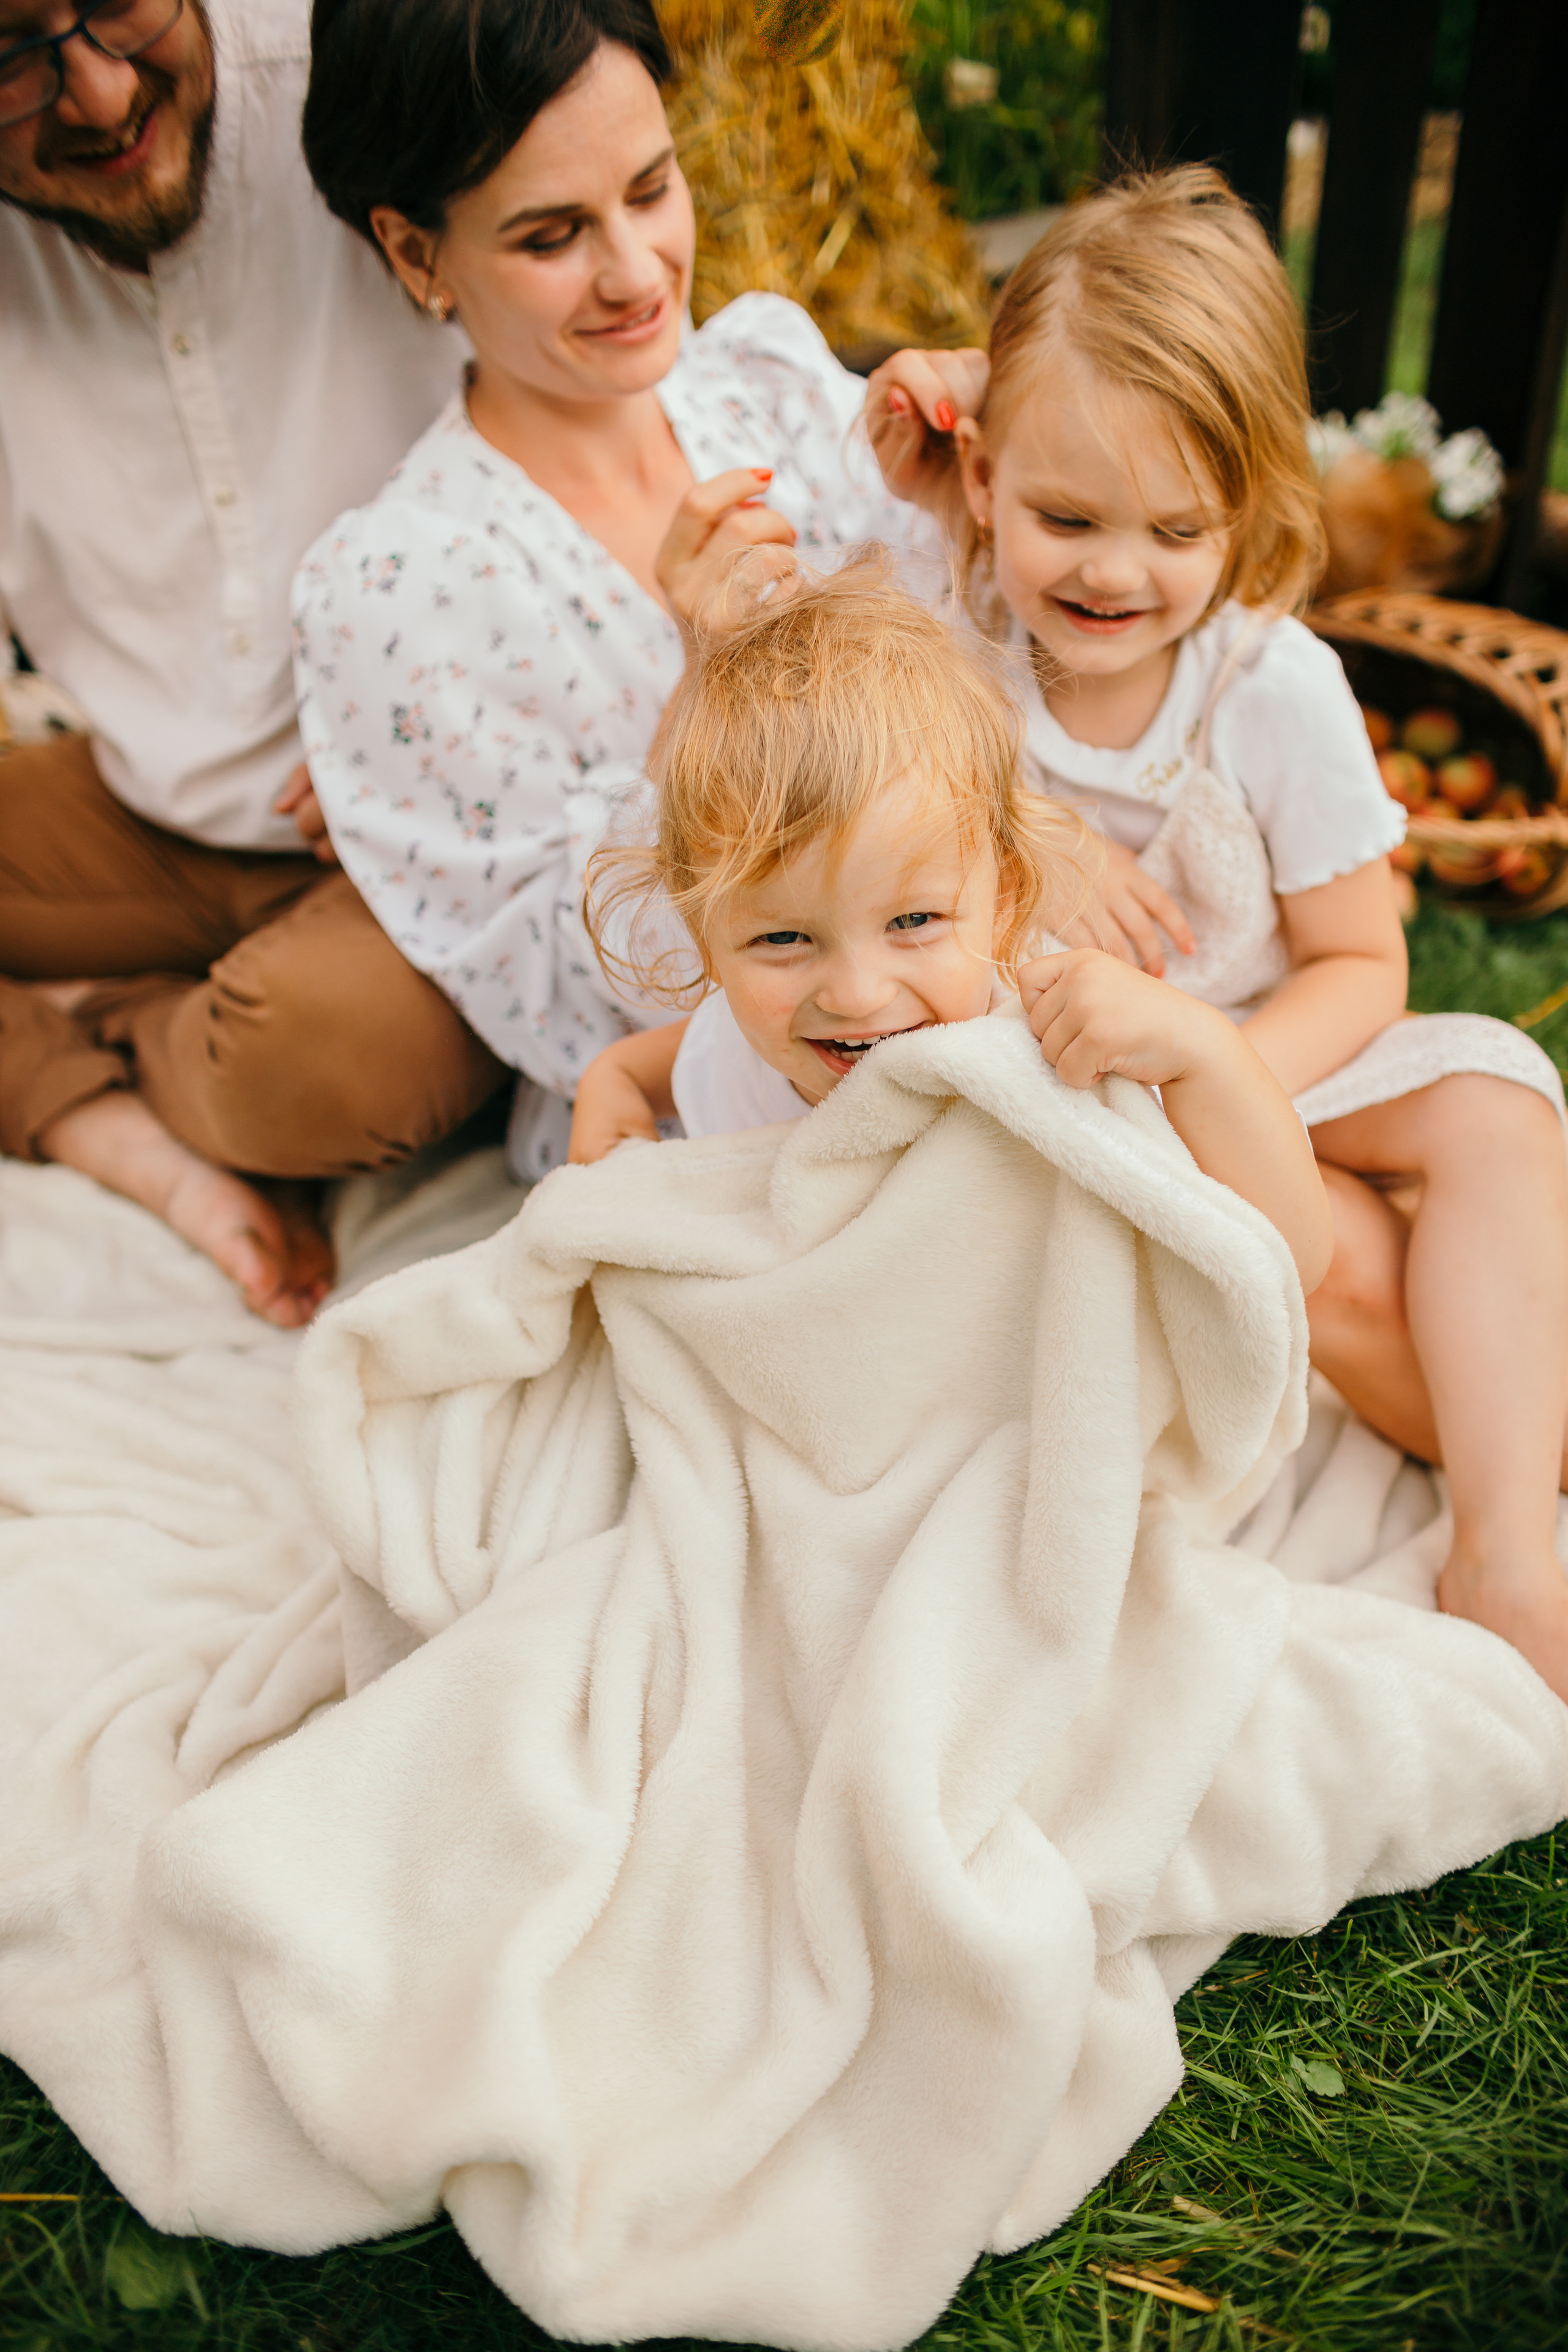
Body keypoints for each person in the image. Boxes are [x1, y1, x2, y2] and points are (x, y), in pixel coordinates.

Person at [903, 165, 1568, 1698]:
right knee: (1346, 1261)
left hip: (1250, 1054)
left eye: (1170, 529)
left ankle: (1501, 1546)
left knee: (1490, 1106)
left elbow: (1359, 961)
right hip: (1044, 1096)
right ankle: (1509, 1477)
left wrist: (1223, 1071)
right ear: (985, 471)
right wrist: (1021, 828)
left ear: (1244, 515)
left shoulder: (1267, 688)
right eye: (1064, 515)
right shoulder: (947, 654)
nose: (1111, 572)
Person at [290, 0, 984, 1183]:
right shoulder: (401, 592)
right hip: (713, 1127)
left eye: (652, 190)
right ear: (417, 254)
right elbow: (570, 1008)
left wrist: (962, 503)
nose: (634, 271)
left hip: (962, 1024)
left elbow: (995, 722)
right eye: (552, 236)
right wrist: (708, 681)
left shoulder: (765, 383)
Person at [0, 0, 500, 1325]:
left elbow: (614, 404)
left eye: (121, 6)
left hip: (434, 832)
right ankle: (123, 1124)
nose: (100, 97)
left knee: (338, 1066)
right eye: (9, 49)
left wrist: (426, 749)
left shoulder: (382, 64)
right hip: (134, 813)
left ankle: (146, 1034)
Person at [566, 556, 1335, 1308]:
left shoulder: (1055, 1043)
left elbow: (1287, 1262)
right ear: (706, 938)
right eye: (783, 941)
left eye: (913, 922)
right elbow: (645, 1070)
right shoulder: (738, 1056)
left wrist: (1206, 1054)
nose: (857, 995)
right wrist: (610, 1102)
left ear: (1006, 897)